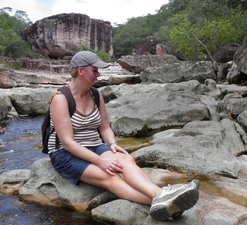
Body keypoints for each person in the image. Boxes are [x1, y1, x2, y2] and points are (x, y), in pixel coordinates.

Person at [48, 50, 199, 221]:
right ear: (80, 70)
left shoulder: (95, 95)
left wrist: (112, 144)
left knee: (126, 160)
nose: (98, 74)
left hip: (94, 145)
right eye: (94, 70)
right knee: (109, 175)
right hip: (65, 154)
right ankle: (165, 199)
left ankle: (163, 198)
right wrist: (100, 161)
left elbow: (104, 127)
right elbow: (68, 143)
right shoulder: (61, 99)